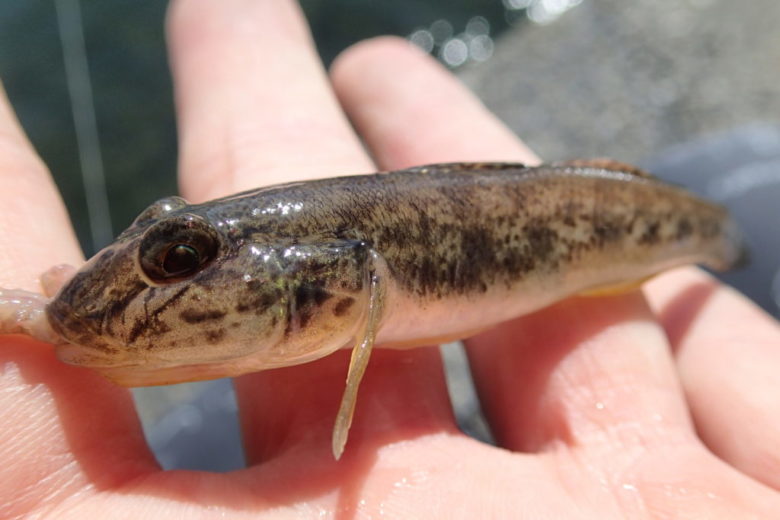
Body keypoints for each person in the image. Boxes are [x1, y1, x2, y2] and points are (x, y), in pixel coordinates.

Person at [2, 1, 779, 517]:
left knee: (723, 218)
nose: (175, 265)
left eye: (182, 256)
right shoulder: (304, 276)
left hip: (634, 220)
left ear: (338, 282)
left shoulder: (344, 273)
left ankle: (718, 238)